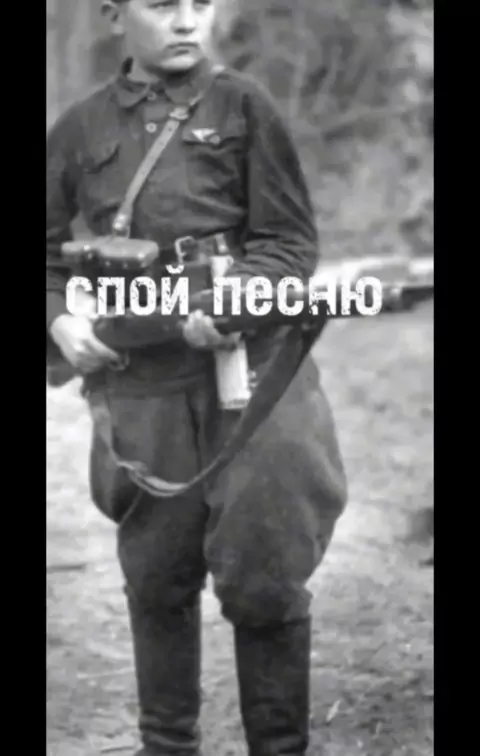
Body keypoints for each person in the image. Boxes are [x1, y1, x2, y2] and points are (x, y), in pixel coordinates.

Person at [46, 1, 348, 754]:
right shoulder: (79, 128)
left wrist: (234, 299)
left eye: (200, 3)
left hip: (252, 380)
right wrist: (60, 322)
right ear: (114, 15)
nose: (186, 21)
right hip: (143, 385)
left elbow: (288, 245)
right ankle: (166, 743)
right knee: (156, 576)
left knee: (266, 573)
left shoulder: (244, 105)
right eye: (162, 4)